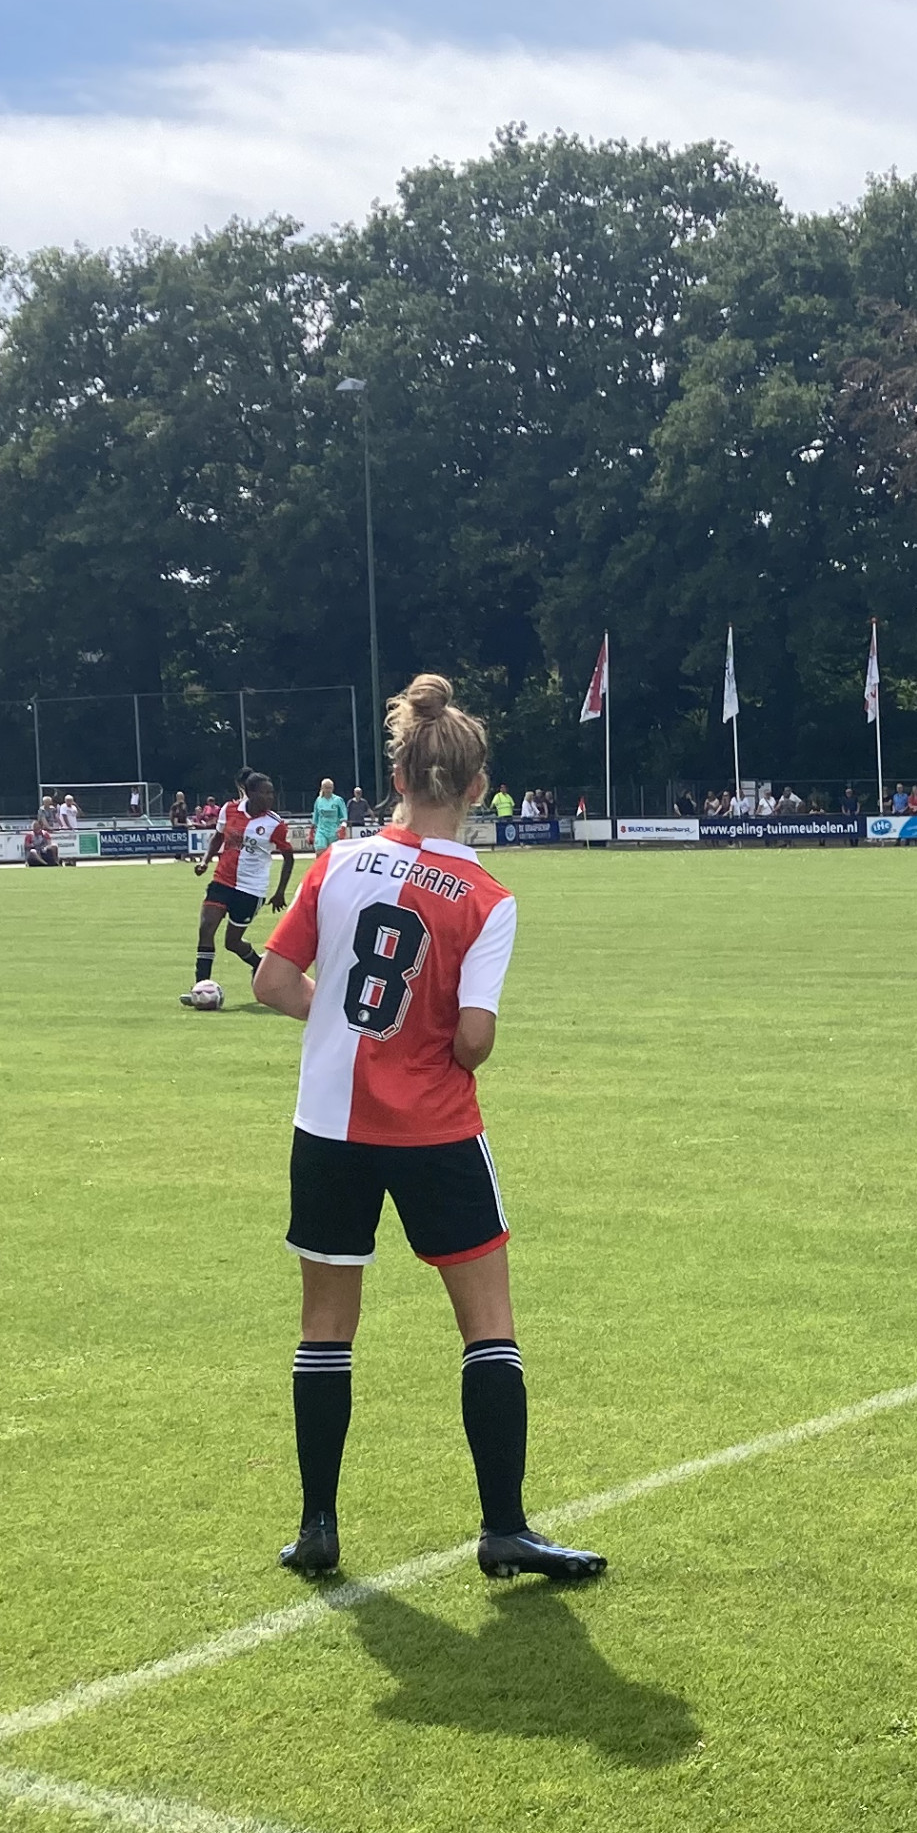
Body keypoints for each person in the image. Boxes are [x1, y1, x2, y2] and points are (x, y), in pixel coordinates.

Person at [252, 673, 602, 1586]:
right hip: (436, 1130)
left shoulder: (336, 862)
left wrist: (341, 1023)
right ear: (477, 787)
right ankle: (505, 1528)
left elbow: (272, 983)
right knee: (487, 1326)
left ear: (398, 771)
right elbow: (474, 1040)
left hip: (328, 1123)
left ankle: (318, 1526)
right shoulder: (488, 895)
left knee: (326, 1327)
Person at [186, 771, 294, 1007]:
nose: (270, 797)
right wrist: (205, 860)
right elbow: (218, 837)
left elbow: (288, 857)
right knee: (206, 929)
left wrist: (279, 892)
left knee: (232, 942)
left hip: (250, 889)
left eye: (271, 793)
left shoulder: (274, 824)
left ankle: (258, 964)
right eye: (265, 793)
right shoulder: (229, 809)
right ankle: (200, 988)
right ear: (251, 793)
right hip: (222, 880)